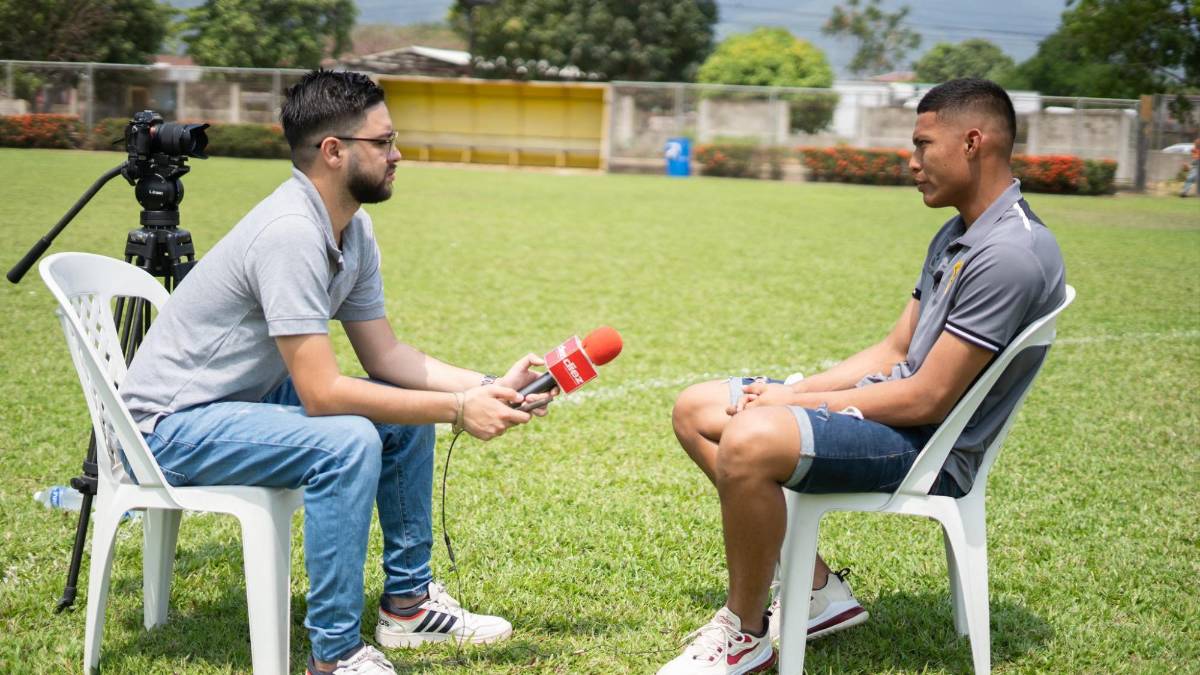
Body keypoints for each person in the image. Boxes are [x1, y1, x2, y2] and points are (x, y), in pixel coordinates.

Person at [120, 70, 553, 675]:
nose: (397, 155)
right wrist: (457, 411)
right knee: (347, 439)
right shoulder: (291, 232)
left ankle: (408, 608)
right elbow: (322, 394)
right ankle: (335, 657)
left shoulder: (352, 228)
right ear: (333, 151)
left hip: (240, 404)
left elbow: (387, 357)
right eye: (384, 142)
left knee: (398, 415)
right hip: (165, 430)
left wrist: (486, 387)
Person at [659, 78, 1066, 674]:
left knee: (748, 438)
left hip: (930, 448)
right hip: (896, 415)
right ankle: (818, 592)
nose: (912, 161)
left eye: (923, 144)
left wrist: (796, 404)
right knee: (697, 409)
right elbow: (895, 348)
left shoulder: (1010, 254)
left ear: (973, 142)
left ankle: (746, 634)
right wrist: (795, 392)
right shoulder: (960, 231)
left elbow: (929, 399)